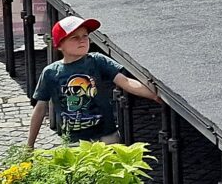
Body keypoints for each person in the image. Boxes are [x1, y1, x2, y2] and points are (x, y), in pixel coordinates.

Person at [27, 15, 160, 148]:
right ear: (60, 45)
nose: (82, 41)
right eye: (75, 37)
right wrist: (30, 145)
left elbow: (125, 81)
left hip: (107, 137)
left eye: (85, 36)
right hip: (74, 142)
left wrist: (154, 94)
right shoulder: (50, 72)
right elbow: (40, 108)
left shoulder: (97, 61)